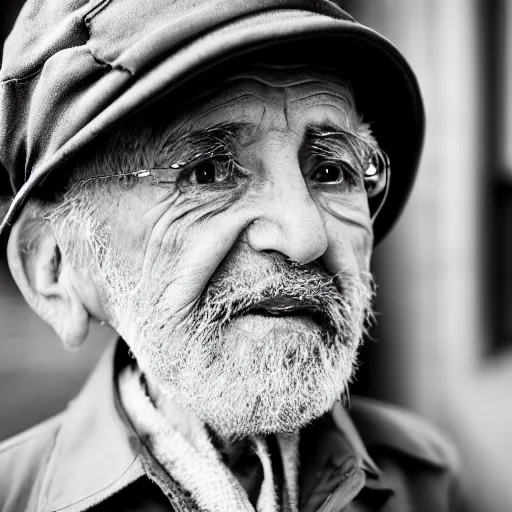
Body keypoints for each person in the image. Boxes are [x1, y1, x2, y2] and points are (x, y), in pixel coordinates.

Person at [0, 1, 464, 511]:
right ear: (57, 264)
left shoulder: (429, 482)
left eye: (332, 171)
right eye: (207, 172)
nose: (305, 237)